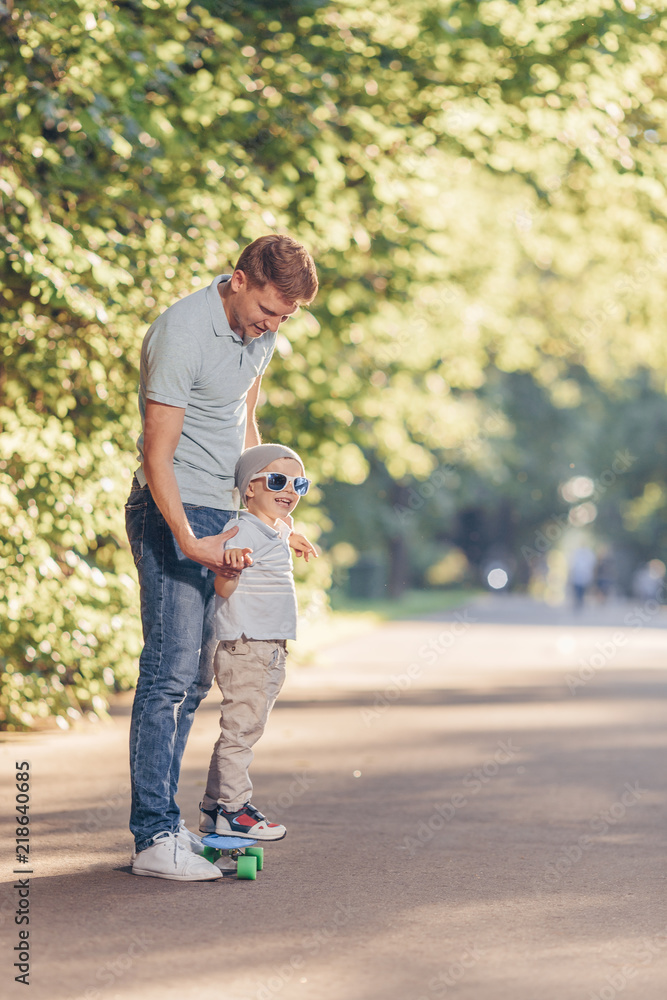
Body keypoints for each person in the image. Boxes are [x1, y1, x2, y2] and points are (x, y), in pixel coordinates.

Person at [126, 235, 318, 881]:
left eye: (284, 318)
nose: (272, 326)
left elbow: (244, 424)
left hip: (225, 514)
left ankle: (175, 826)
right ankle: (153, 835)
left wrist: (266, 512)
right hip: (172, 510)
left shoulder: (258, 335)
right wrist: (187, 538)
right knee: (169, 672)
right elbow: (158, 454)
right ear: (237, 280)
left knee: (203, 676)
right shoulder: (183, 332)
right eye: (267, 310)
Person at [199, 444, 314, 859]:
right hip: (248, 645)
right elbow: (223, 590)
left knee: (241, 728)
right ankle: (234, 808)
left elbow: (280, 528)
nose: (289, 491)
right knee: (241, 732)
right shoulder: (242, 531)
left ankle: (214, 809)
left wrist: (292, 534)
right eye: (278, 481)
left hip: (267, 648)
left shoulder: (273, 526)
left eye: (298, 483)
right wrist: (227, 569)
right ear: (249, 489)